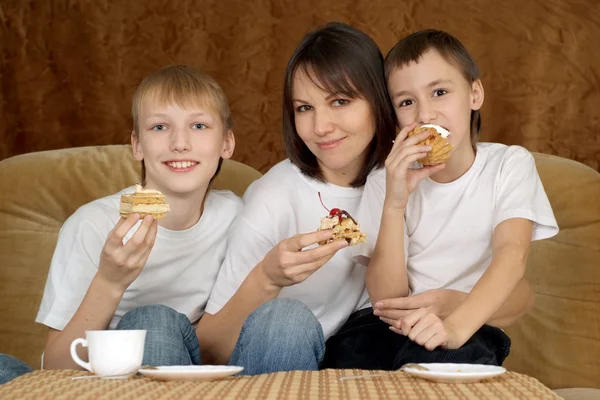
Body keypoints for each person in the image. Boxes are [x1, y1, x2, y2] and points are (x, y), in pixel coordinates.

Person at [196, 23, 537, 375]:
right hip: (302, 351)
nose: (321, 126)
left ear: (379, 103)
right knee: (289, 322)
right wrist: (266, 278)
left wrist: (455, 309)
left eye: (340, 101)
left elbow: (519, 291)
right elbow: (209, 348)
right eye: (303, 108)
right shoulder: (277, 196)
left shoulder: (414, 176)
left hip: (412, 339)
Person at [339, 29, 558, 369]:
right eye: (406, 102)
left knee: (440, 361)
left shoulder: (508, 166)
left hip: (467, 323)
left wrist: (453, 325)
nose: (425, 115)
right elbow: (385, 298)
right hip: (383, 326)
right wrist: (395, 203)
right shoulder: (385, 179)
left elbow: (512, 255)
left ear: (474, 94)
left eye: (439, 92)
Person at [35, 65, 241, 369]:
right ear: (136, 145)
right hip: (110, 381)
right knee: (152, 320)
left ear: (226, 143)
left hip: (199, 371)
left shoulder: (238, 217)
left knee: (156, 320)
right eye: (160, 127)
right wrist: (109, 282)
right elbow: (54, 367)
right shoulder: (93, 225)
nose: (179, 143)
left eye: (198, 126)